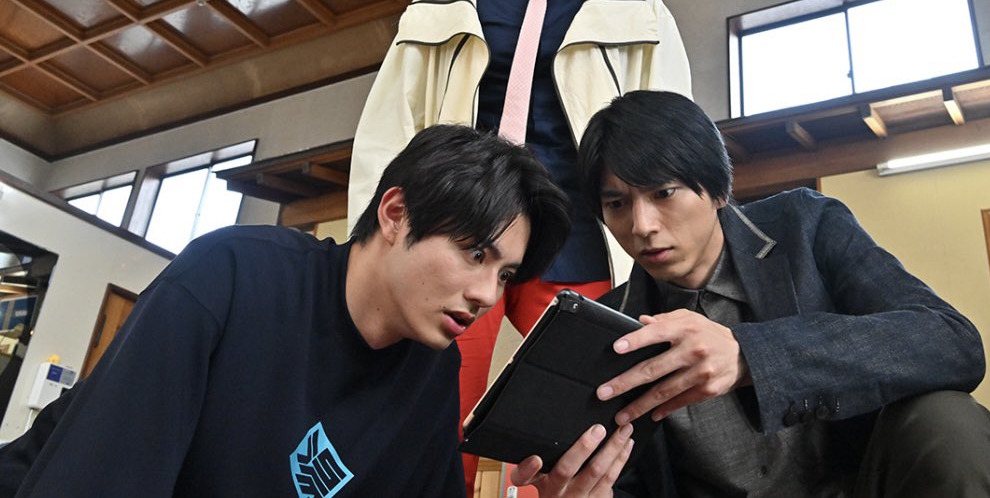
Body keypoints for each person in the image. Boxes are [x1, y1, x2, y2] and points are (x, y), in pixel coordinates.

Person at [345, 0, 691, 491]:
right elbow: (388, 126)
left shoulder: (639, 9)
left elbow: (671, 135)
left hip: (580, 242)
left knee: (573, 426)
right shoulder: (440, 3)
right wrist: (371, 240)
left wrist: (669, 249)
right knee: (430, 407)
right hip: (459, 234)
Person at [0, 125, 634, 497]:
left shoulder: (429, 370)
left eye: (505, 275)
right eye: (475, 254)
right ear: (396, 214)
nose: (488, 295)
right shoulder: (234, 274)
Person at [559, 90, 990, 497]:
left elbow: (951, 341)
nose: (641, 226)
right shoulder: (608, 325)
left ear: (718, 191)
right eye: (616, 204)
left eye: (663, 193)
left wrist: (749, 356)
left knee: (948, 420)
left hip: (860, 485)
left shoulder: (806, 227)